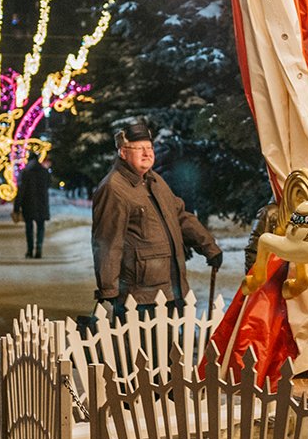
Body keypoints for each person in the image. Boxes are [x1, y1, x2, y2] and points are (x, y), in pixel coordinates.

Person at [92, 119, 223, 316]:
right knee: (144, 346)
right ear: (123, 153)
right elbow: (107, 243)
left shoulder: (154, 180)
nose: (147, 153)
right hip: (139, 296)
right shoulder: (114, 188)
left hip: (170, 287)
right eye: (138, 148)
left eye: (149, 147)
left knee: (168, 345)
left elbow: (180, 216)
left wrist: (208, 246)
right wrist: (108, 291)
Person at [15, 157, 52, 259]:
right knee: (40, 227)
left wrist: (16, 207)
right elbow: (48, 185)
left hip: (28, 204)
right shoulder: (45, 172)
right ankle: (39, 247)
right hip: (42, 204)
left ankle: (30, 250)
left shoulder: (25, 172)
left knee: (29, 227)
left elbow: (21, 190)